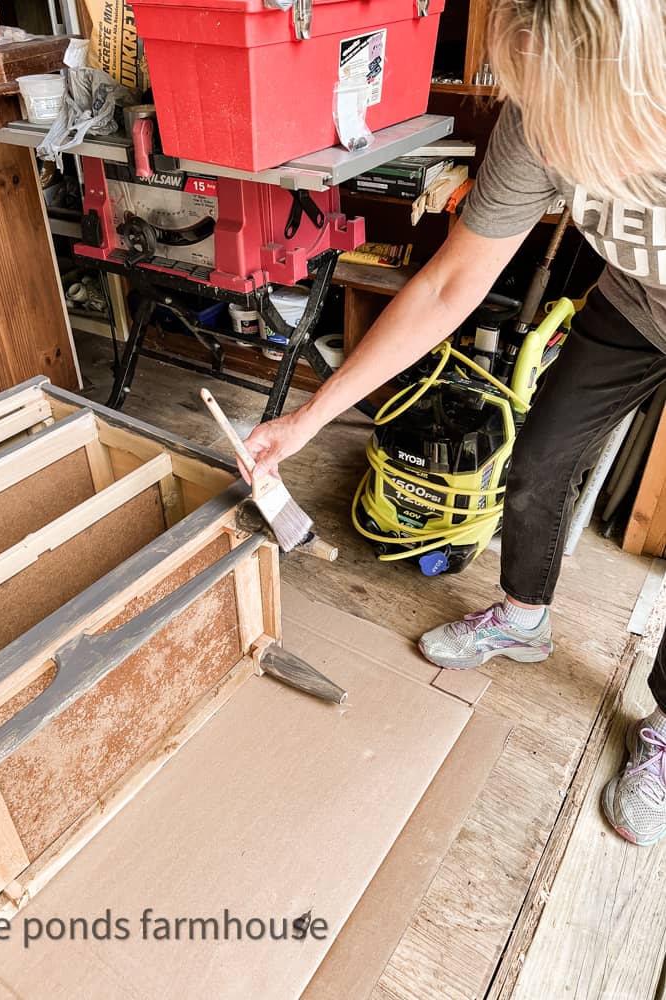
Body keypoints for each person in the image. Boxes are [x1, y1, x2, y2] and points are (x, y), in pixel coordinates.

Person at [241, 1, 666, 846]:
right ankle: (523, 616)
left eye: (563, 112)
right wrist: (312, 417)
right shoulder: (537, 119)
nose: (543, 134)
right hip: (634, 303)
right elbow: (447, 286)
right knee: (538, 461)